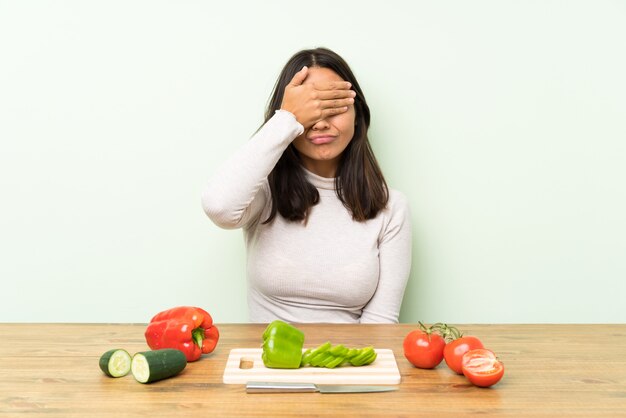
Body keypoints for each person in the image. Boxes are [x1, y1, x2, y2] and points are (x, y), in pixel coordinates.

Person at [202, 47, 412, 323]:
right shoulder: (262, 192)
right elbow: (219, 207)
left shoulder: (391, 207)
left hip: (352, 363)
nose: (321, 123)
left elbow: (381, 322)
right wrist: (287, 120)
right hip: (269, 363)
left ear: (357, 115)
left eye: (334, 107)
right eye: (310, 111)